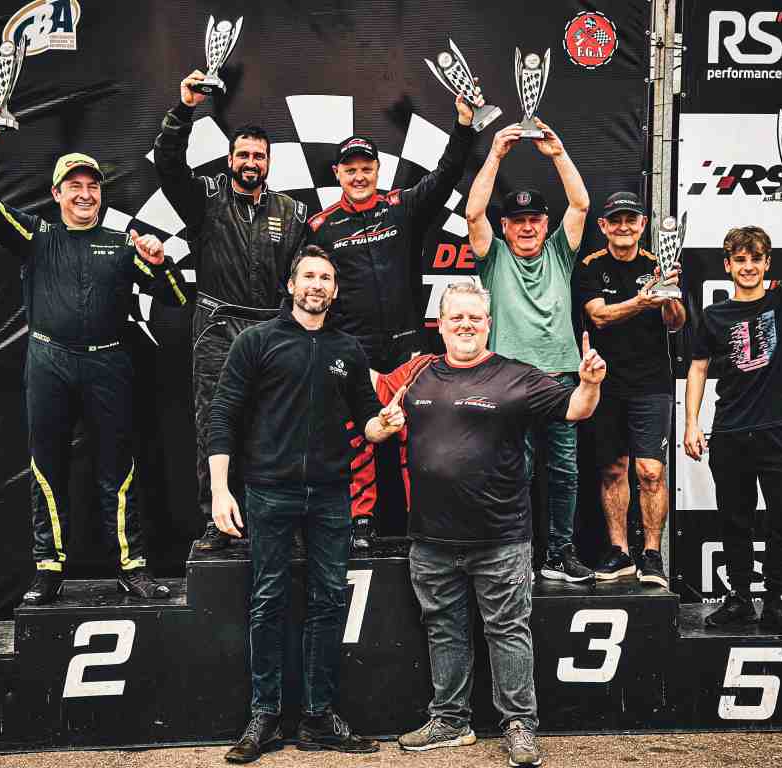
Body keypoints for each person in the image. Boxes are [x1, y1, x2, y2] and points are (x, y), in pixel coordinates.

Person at [0, 107, 188, 605]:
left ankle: (132, 566)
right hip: (49, 362)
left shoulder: (122, 244)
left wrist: (159, 261)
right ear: (57, 193)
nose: (85, 194)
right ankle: (48, 568)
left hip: (109, 364)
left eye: (93, 187)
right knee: (47, 467)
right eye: (75, 186)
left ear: (101, 195)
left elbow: (174, 297)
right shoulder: (36, 235)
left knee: (118, 469)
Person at [376, 282, 604, 766]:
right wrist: (382, 423)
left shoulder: (516, 376)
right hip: (431, 539)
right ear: (440, 324)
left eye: (475, 318)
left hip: (501, 539)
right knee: (444, 630)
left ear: (488, 324)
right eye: (456, 318)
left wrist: (589, 382)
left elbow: (576, 409)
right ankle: (450, 722)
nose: (466, 325)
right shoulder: (417, 376)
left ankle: (520, 724)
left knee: (508, 631)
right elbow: (375, 416)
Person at [208, 246, 403, 762]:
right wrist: (220, 490)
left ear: (335, 291)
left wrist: (383, 424)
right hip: (268, 492)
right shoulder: (256, 342)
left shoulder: (348, 349)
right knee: (268, 599)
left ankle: (318, 718)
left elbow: (367, 421)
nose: (317, 285)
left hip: (332, 494)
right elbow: (223, 414)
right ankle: (265, 716)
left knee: (328, 601)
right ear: (292, 285)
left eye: (326, 278)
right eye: (309, 276)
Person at [305, 92, 479, 549]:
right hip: (354, 352)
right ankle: (360, 522)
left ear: (378, 171)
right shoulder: (321, 227)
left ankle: (421, 520)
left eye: (367, 167)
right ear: (337, 174)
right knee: (356, 438)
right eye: (350, 169)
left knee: (414, 437)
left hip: (408, 347)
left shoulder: (401, 206)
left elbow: (445, 176)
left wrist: (463, 126)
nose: (359, 176)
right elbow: (307, 287)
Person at [153, 71, 308, 551]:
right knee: (215, 424)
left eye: (258, 156)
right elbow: (168, 165)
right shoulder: (205, 198)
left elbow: (304, 276)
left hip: (273, 328)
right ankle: (216, 520)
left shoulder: (292, 212)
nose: (250, 163)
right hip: (217, 327)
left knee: (277, 427)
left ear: (269, 163)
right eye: (243, 155)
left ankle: (276, 521)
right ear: (230, 159)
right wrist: (184, 110)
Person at [684, 188, 782, 634]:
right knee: (734, 522)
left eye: (756, 258)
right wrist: (691, 424)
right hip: (730, 433)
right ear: (727, 265)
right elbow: (697, 368)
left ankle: (776, 602)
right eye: (740, 259)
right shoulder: (713, 316)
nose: (748, 266)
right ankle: (739, 599)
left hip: (777, 431)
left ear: (767, 263)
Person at [465, 121, 592, 582]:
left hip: (560, 379)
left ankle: (559, 555)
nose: (526, 228)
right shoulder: (494, 256)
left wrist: (558, 153)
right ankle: (514, 554)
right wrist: (495, 155)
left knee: (564, 471)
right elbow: (473, 215)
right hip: (508, 381)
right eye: (517, 221)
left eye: (534, 220)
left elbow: (581, 204)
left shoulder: (560, 253)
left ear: (545, 224)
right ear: (505, 226)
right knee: (512, 472)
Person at [577, 192, 686, 588]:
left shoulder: (660, 264)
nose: (623, 226)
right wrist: (642, 301)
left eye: (631, 219)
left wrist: (668, 295)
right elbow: (599, 317)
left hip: (652, 384)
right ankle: (620, 552)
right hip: (606, 384)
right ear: (603, 226)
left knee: (651, 471)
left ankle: (652, 555)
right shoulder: (590, 266)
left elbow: (676, 322)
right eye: (616, 220)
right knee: (613, 469)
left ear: (643, 225)